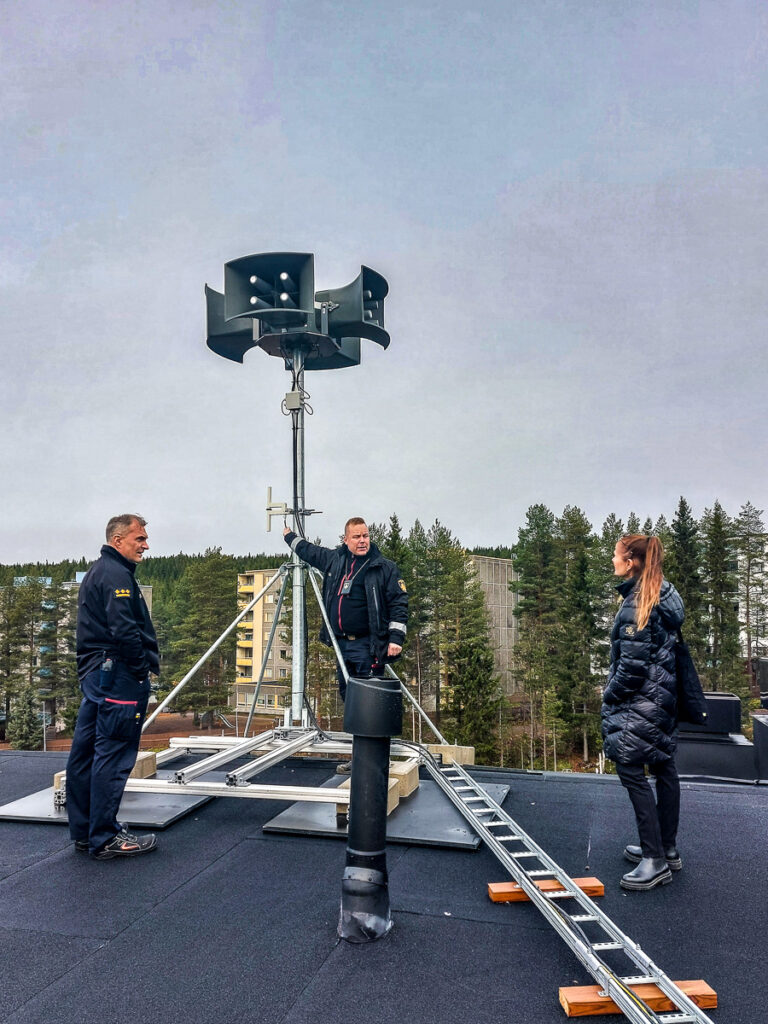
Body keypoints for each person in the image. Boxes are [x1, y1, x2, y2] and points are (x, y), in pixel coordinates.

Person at [66, 515, 160, 860]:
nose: (145, 544)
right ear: (117, 540)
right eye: (139, 538)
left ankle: (85, 832)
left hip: (98, 675)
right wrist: (138, 671)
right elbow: (124, 631)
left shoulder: (100, 570)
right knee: (113, 752)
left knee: (87, 752)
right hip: (116, 674)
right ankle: (104, 837)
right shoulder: (116, 574)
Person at [283, 518, 408, 770]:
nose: (362, 541)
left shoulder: (383, 568)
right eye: (356, 537)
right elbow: (309, 551)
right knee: (350, 699)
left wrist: (396, 639)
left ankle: (371, 763)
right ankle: (360, 757)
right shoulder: (335, 561)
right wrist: (288, 536)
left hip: (368, 646)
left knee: (370, 702)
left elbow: (399, 603)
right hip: (342, 645)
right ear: (345, 539)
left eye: (366, 536)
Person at [601, 534, 685, 891]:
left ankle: (654, 860)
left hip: (641, 701)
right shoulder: (664, 592)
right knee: (664, 765)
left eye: (617, 556)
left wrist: (609, 695)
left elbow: (631, 667)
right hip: (663, 697)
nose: (613, 562)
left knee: (631, 769)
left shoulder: (637, 604)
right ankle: (667, 849)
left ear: (631, 561)